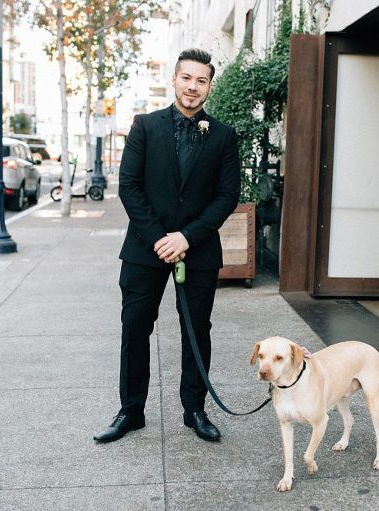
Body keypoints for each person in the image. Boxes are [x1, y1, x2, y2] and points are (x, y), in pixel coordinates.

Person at [93, 48, 241, 443]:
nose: (193, 87)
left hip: (199, 250)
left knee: (197, 330)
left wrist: (186, 237)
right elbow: (130, 187)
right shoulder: (144, 126)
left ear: (209, 85)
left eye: (201, 80)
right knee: (135, 328)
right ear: (174, 80)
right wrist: (161, 239)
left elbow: (227, 197)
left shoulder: (224, 136)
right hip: (145, 250)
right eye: (186, 78)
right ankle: (131, 411)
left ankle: (195, 410)